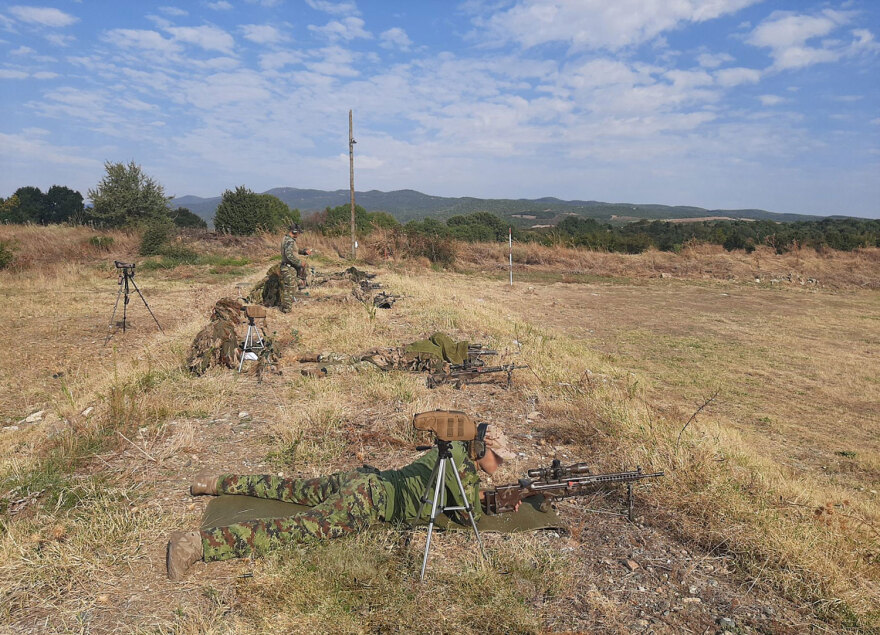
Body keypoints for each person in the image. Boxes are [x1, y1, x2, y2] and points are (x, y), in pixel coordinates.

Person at [166, 425, 516, 580]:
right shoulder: (460, 468)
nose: (499, 465)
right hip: (368, 499)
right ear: (482, 448)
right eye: (498, 458)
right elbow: (464, 513)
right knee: (300, 529)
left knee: (293, 489)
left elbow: (461, 493)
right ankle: (197, 543)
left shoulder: (451, 448)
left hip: (364, 479)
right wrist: (501, 501)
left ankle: (215, 482)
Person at [279, 223, 310, 313]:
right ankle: (286, 310)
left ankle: (287, 308)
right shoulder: (289, 241)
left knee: (291, 288)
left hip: (289, 267)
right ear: (294, 231)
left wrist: (304, 252)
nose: (299, 235)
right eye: (298, 233)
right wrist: (299, 263)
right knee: (289, 289)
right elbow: (289, 255)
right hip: (288, 268)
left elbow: (294, 251)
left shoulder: (288, 239)